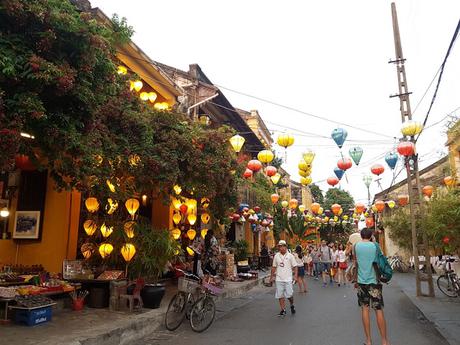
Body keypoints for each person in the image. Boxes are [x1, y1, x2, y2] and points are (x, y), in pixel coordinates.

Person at [354, 228, 390, 345]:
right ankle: (384, 341)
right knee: (378, 309)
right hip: (374, 281)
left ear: (361, 235)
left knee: (365, 309)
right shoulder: (375, 245)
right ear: (371, 236)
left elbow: (356, 263)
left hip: (361, 281)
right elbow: (381, 260)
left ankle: (368, 341)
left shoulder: (356, 246)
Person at [270, 240, 298, 316]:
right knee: (280, 295)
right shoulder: (276, 256)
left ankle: (291, 304)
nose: (281, 248)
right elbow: (273, 267)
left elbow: (295, 266)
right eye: (280, 246)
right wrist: (271, 277)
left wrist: (295, 276)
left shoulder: (290, 256)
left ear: (286, 246)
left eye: (283, 246)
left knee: (289, 295)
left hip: (288, 278)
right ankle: (283, 310)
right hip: (279, 278)